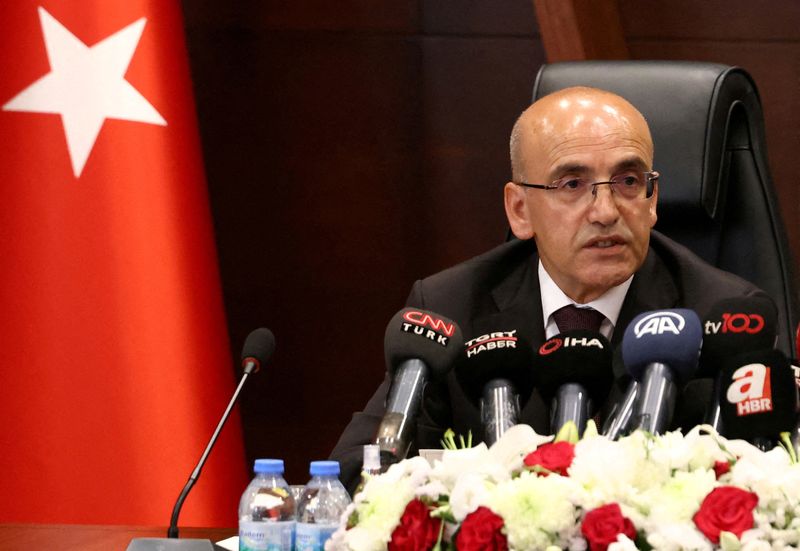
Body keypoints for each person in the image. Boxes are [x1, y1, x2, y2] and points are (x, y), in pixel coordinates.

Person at [330, 86, 769, 490]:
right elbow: (357, 470)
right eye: (573, 184)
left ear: (652, 201)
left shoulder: (722, 321)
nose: (605, 211)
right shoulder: (451, 309)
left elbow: (769, 482)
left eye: (628, 182)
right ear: (519, 210)